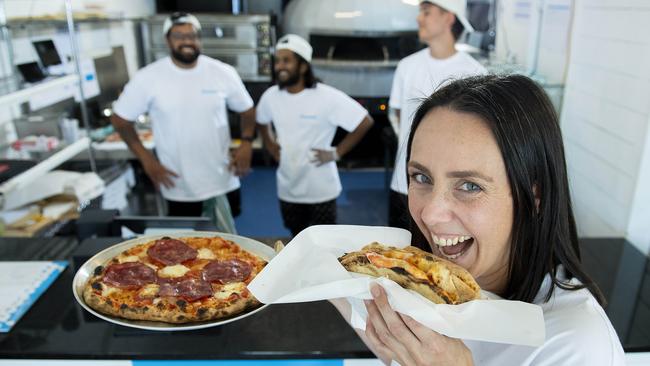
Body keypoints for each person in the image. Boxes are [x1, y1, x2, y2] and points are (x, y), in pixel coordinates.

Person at [331, 75, 625, 365]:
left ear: (534, 197)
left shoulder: (579, 347)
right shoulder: (426, 294)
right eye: (421, 177)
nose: (430, 214)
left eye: (470, 186)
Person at [111, 12, 256, 233]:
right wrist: (147, 159)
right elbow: (120, 119)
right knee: (184, 248)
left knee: (228, 242)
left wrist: (246, 143)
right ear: (167, 40)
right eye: (179, 35)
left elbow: (247, 110)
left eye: (193, 35)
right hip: (178, 183)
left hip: (221, 177)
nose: (187, 41)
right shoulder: (149, 77)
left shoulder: (221, 72)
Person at [256, 34, 374, 236]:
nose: (279, 66)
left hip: (320, 189)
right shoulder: (271, 96)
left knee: (323, 241)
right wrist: (270, 144)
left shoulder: (327, 96)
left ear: (302, 66)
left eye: (286, 61)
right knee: (295, 236)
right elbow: (261, 120)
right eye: (277, 61)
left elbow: (364, 121)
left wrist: (337, 153)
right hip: (288, 186)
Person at [388, 0, 486, 229]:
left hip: (452, 192)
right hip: (405, 184)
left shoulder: (474, 73)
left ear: (448, 18)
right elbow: (401, 118)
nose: (419, 18)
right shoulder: (407, 66)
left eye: (426, 12)